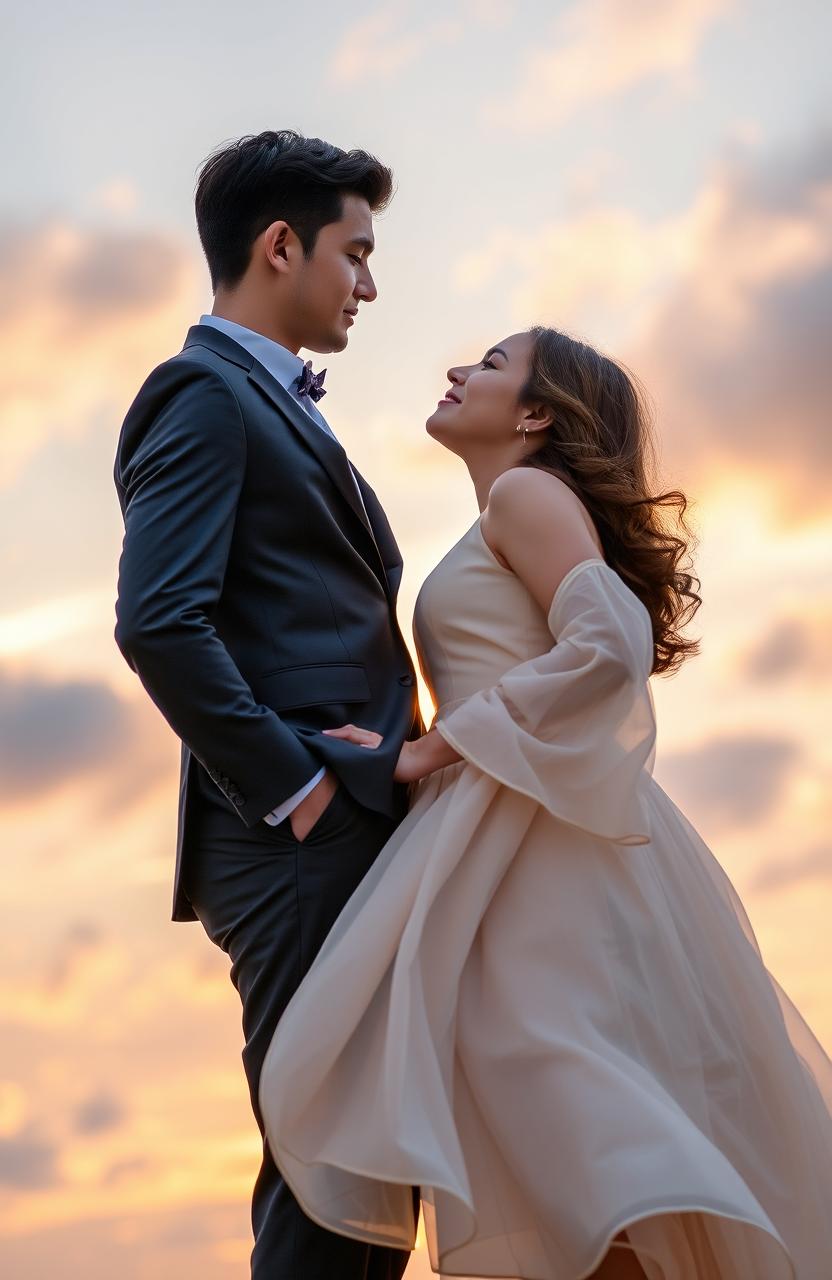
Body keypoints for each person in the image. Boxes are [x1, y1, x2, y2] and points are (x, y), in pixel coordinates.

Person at [258, 327, 832, 1278]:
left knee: (578, 1144)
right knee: (570, 1166)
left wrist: (428, 750)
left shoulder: (526, 493)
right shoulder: (506, 511)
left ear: (534, 414)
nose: (455, 369)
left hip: (540, 864)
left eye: (488, 364)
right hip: (508, 843)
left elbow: (608, 639)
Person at [112, 130, 423, 1280]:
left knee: (369, 1172)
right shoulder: (203, 395)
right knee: (330, 1178)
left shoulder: (269, 399)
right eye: (356, 252)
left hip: (340, 827)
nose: (369, 283)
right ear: (281, 245)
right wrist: (300, 789)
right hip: (295, 840)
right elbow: (158, 621)